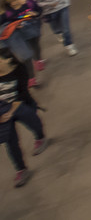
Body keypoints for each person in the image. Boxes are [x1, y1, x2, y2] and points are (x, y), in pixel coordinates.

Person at [0, 50, 45, 187]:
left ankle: (40, 138)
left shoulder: (19, 69)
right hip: (3, 111)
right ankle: (21, 169)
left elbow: (23, 92)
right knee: (10, 141)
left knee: (32, 121)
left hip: (19, 104)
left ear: (8, 60)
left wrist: (11, 111)